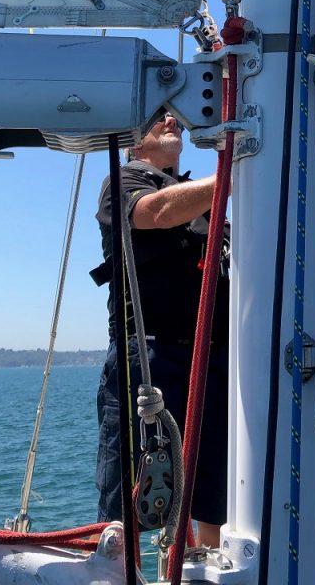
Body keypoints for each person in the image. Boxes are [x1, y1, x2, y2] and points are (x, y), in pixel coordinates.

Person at [91, 111, 229, 548]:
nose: (172, 118)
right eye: (157, 117)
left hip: (214, 357)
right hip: (148, 356)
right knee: (129, 500)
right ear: (134, 140)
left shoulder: (211, 204)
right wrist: (232, 173)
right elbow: (158, 212)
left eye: (175, 115)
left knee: (217, 498)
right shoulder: (123, 181)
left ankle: (200, 571)